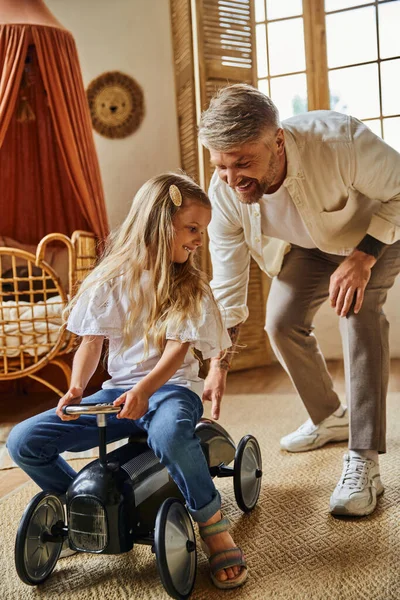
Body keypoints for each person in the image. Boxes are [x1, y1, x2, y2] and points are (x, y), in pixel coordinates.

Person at [7, 173, 247, 589]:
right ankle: (83, 509)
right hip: (115, 396)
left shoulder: (189, 284)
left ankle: (213, 526)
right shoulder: (109, 280)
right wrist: (78, 389)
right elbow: (91, 343)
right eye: (192, 229)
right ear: (159, 223)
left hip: (169, 392)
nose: (198, 240)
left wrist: (144, 391)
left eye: (202, 232)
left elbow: (176, 352)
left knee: (173, 436)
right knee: (23, 441)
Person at [199, 84, 400, 517]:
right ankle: (330, 417)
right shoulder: (224, 195)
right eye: (220, 166)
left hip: (377, 234)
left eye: (243, 163)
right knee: (281, 322)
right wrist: (218, 363)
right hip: (309, 246)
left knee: (357, 309)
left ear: (277, 141)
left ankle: (364, 459)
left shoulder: (338, 141)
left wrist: (363, 258)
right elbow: (229, 288)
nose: (233, 180)